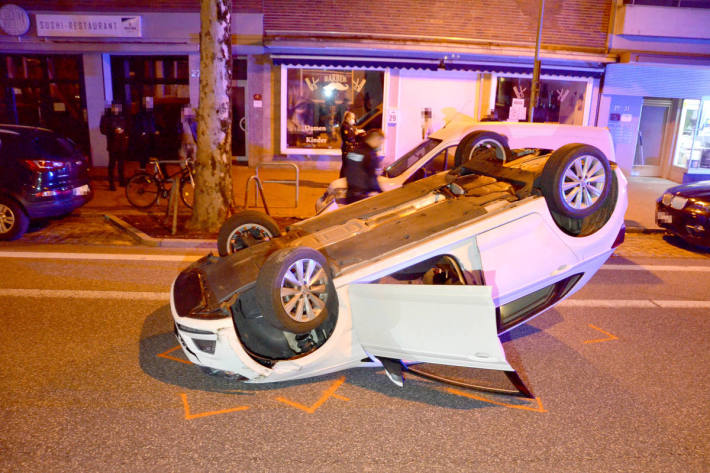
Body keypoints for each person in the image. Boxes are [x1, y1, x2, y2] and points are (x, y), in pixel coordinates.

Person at [344, 129, 384, 204]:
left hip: (350, 194)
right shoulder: (370, 155)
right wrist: (379, 191)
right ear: (376, 139)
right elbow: (372, 178)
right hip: (362, 197)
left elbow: (349, 170)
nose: (380, 146)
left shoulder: (354, 151)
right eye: (380, 143)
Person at [100, 101, 128, 190]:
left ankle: (121, 181)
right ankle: (111, 183)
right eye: (114, 107)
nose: (116, 109)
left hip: (121, 144)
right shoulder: (106, 117)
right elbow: (103, 130)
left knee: (121, 164)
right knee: (112, 164)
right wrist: (113, 131)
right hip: (112, 144)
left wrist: (124, 132)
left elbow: (127, 127)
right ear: (111, 108)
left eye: (117, 107)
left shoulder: (122, 117)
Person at [132, 96, 159, 169]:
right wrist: (141, 133)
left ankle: (155, 171)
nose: (149, 104)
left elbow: (155, 124)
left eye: (151, 103)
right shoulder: (140, 115)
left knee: (154, 155)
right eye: (148, 103)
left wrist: (155, 131)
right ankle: (143, 170)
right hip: (144, 138)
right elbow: (137, 126)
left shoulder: (153, 114)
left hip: (152, 137)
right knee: (143, 155)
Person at [339, 111, 363, 178]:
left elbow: (351, 134)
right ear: (348, 118)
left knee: (350, 164)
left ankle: (347, 179)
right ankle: (342, 179)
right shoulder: (345, 126)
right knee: (346, 165)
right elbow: (349, 137)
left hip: (350, 149)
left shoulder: (349, 126)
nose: (354, 120)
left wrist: (356, 132)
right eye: (352, 118)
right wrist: (355, 133)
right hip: (347, 149)